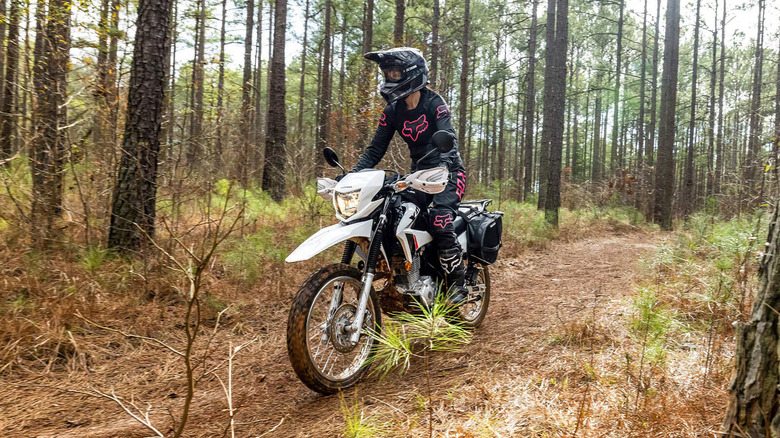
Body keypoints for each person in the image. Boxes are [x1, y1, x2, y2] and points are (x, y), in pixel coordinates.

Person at [353, 47, 468, 305]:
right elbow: (375, 150)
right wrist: (352, 175)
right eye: (387, 73)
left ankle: (458, 283)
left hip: (448, 173)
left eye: (395, 72)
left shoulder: (434, 103)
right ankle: (408, 274)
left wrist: (443, 167)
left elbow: (449, 139)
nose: (390, 78)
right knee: (393, 214)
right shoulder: (393, 111)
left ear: (412, 73)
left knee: (438, 218)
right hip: (418, 175)